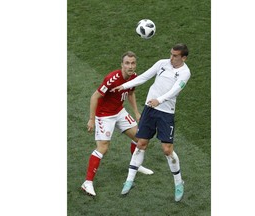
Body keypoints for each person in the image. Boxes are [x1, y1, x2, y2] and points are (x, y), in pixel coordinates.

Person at [111, 43, 191, 202]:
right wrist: (124, 86)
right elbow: (144, 77)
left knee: (167, 150)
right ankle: (129, 180)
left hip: (166, 113)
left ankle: (178, 183)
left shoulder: (185, 72)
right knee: (141, 143)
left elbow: (175, 90)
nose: (171, 58)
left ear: (184, 57)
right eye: (171, 54)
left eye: (175, 56)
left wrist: (159, 100)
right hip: (150, 109)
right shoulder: (162, 63)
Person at [81, 51, 154, 197]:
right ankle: (87, 183)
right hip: (104, 116)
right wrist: (91, 118)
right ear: (122, 65)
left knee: (140, 139)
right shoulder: (112, 79)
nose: (130, 66)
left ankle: (136, 165)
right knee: (103, 148)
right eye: (127, 63)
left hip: (119, 112)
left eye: (133, 63)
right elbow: (95, 96)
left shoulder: (134, 77)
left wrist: (136, 112)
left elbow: (131, 93)